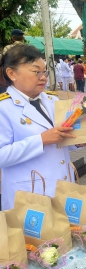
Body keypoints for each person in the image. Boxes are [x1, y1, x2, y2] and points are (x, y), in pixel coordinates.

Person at [0, 45, 77, 210]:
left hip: (63, 186)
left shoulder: (52, 100)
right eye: (36, 72)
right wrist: (41, 140)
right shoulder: (3, 108)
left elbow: (60, 138)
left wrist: (78, 140)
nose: (43, 78)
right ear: (11, 73)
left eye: (45, 72)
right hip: (30, 194)